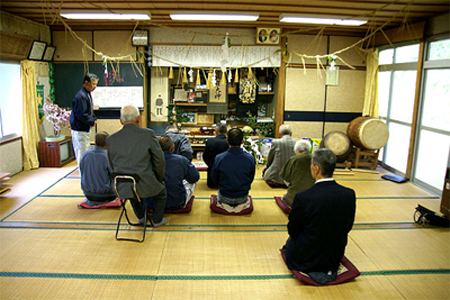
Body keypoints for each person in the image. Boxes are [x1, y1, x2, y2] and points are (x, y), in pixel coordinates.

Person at [282, 148, 356, 285]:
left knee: (289, 245)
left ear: (316, 169)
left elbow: (293, 230)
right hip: (334, 255)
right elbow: (348, 226)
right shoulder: (349, 194)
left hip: (306, 257)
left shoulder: (303, 197)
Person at [106, 105, 167, 227]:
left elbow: (111, 164)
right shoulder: (148, 134)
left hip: (121, 186)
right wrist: (158, 178)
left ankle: (140, 217)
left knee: (132, 192)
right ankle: (157, 220)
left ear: (121, 120)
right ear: (139, 119)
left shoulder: (111, 139)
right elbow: (159, 160)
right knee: (161, 191)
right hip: (144, 183)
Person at [211, 128, 255, 206]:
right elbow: (251, 178)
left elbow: (214, 177)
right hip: (242, 197)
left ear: (227, 140)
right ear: (242, 141)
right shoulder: (250, 158)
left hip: (224, 196)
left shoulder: (219, 158)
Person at [77, 131, 120, 208]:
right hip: (106, 195)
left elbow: (82, 170)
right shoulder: (107, 156)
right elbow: (115, 174)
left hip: (87, 194)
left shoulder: (85, 154)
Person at [159, 135, 200, 210]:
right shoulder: (181, 160)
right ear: (172, 147)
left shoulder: (149, 160)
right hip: (176, 202)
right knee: (190, 180)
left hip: (152, 203)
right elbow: (195, 177)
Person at [70, 73, 99, 165]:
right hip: (80, 130)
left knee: (86, 153)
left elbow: (89, 111)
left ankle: (86, 176)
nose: (95, 86)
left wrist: (94, 118)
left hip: (84, 129)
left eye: (96, 84)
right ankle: (84, 177)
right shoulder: (80, 96)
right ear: (86, 83)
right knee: (82, 155)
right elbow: (81, 114)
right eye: (93, 84)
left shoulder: (87, 94)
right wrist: (91, 121)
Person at [279, 140, 315, 207]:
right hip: (313, 198)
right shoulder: (316, 159)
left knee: (285, 197)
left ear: (297, 150)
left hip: (295, 198)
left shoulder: (294, 159)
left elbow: (285, 179)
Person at [203, 123, 229, 188]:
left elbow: (205, 156)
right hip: (227, 175)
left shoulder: (210, 141)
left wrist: (210, 164)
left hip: (212, 173)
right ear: (226, 132)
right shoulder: (230, 142)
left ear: (216, 131)